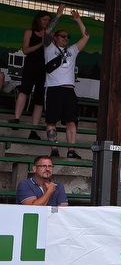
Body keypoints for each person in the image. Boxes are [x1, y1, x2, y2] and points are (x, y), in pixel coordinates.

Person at [11, 5, 63, 139]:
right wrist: (40, 44)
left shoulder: (50, 35)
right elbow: (25, 50)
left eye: (48, 20)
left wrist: (58, 15)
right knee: (24, 91)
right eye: (44, 19)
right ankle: (16, 118)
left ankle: (33, 130)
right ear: (38, 20)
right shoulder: (29, 32)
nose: (46, 22)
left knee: (39, 99)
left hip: (43, 68)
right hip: (30, 66)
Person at [43, 10, 90, 159]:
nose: (66, 38)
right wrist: (58, 15)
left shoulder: (72, 51)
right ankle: (54, 149)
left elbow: (86, 36)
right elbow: (47, 31)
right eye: (62, 36)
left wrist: (78, 20)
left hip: (69, 90)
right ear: (55, 38)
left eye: (67, 37)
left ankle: (71, 150)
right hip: (53, 89)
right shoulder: (49, 48)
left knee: (71, 122)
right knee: (51, 120)